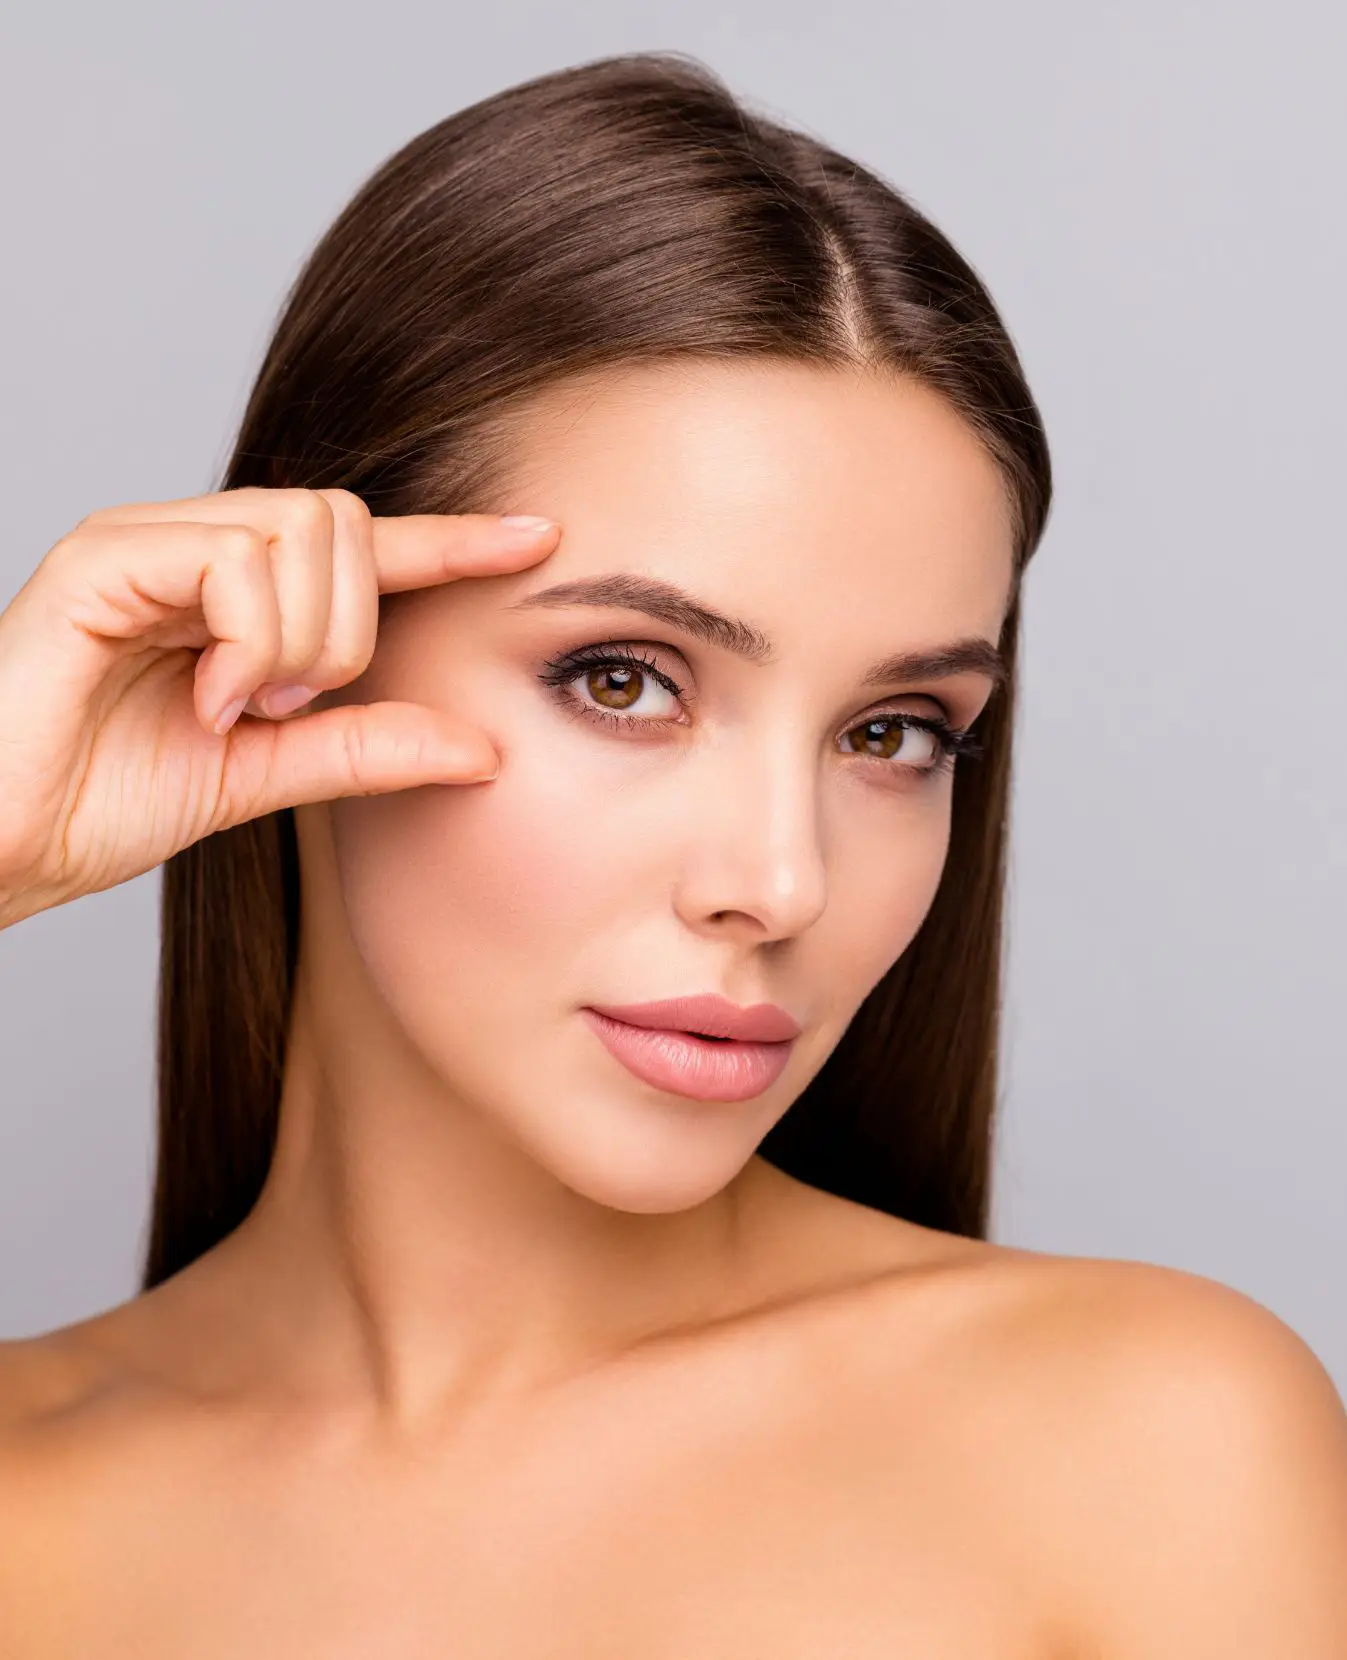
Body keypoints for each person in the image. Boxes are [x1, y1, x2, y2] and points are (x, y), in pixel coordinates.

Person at [0, 50, 1343, 1657]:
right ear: (309, 662)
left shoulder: (1148, 1442)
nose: (781, 883)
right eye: (623, 680)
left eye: (894, 731)